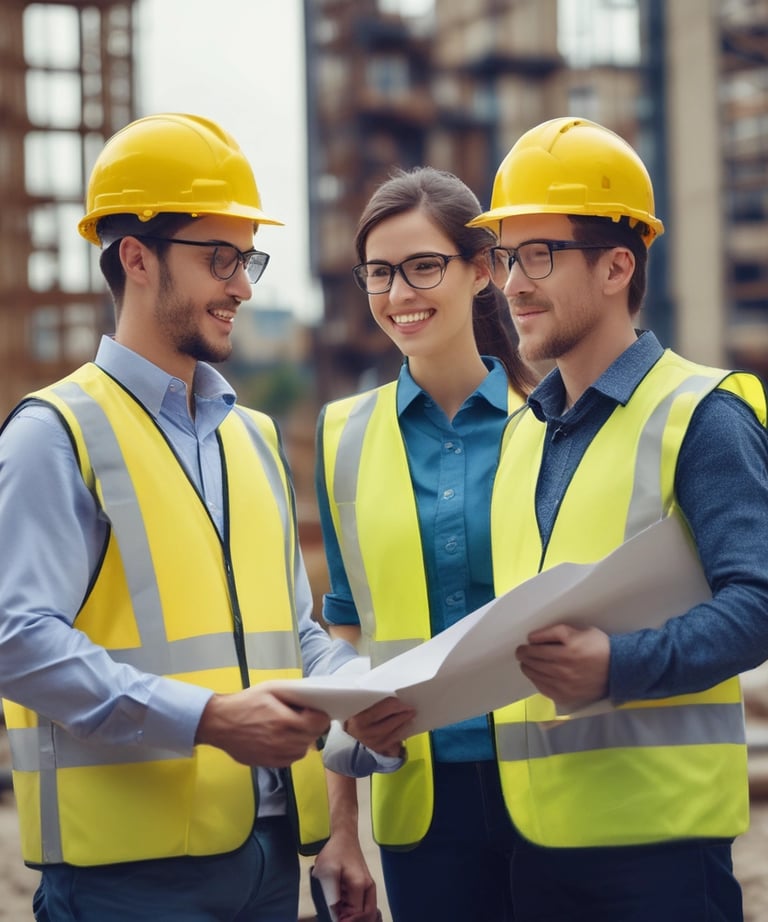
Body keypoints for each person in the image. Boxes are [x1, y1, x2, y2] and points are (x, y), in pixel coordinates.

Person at [0, 112, 379, 922]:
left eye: (247, 260)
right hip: (127, 882)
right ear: (135, 257)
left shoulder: (255, 437)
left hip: (270, 861)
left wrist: (366, 690)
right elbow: (15, 639)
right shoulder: (54, 434)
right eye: (220, 259)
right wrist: (204, 720)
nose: (243, 286)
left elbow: (294, 631)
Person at [315, 166, 537, 921]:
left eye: (423, 266)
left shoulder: (551, 423)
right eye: (380, 273)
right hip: (416, 795)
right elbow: (344, 630)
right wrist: (340, 830)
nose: (399, 294)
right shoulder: (341, 435)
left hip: (553, 790)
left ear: (483, 271)